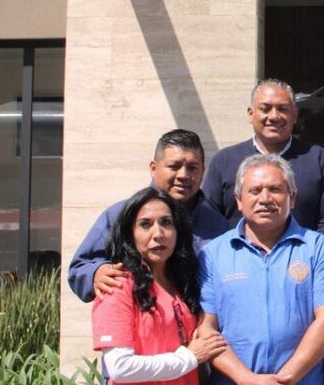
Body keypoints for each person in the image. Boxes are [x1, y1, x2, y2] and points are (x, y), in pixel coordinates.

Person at [197, 153, 324, 384]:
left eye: (275, 189)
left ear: (292, 197)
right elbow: (206, 329)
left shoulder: (317, 247)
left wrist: (285, 379)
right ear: (238, 199)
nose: (265, 198)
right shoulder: (213, 254)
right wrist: (247, 379)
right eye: (254, 191)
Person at [69, 129, 230, 302]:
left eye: (192, 168)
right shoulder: (121, 215)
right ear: (153, 168)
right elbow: (80, 267)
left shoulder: (217, 225)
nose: (184, 175)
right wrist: (96, 273)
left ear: (203, 171)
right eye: (174, 166)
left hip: (197, 324)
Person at [92, 187, 228, 384]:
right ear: (130, 233)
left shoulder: (182, 283)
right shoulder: (117, 285)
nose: (158, 234)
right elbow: (120, 368)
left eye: (166, 222)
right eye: (145, 224)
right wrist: (189, 358)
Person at [202, 78, 324, 245]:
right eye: (265, 109)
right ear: (250, 114)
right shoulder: (224, 160)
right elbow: (209, 219)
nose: (274, 116)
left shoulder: (318, 158)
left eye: (282, 109)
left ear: (295, 115)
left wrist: (315, 256)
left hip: (302, 264)